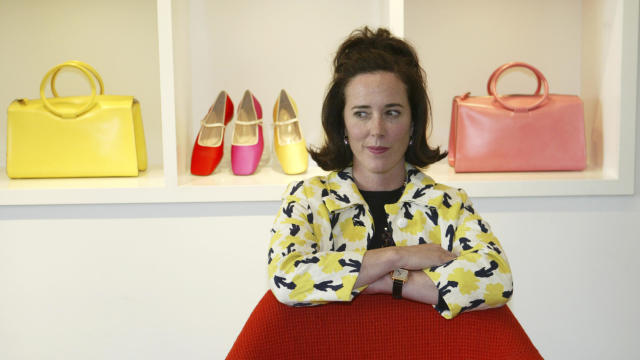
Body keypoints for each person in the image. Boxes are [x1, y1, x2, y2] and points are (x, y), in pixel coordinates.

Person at [267, 27, 512, 319]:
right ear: (342, 122)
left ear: (413, 122)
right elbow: (287, 278)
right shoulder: (307, 200)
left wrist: (389, 281)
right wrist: (398, 256)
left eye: (392, 112)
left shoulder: (449, 204)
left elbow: (497, 279)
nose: (377, 130)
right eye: (361, 113)